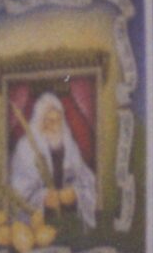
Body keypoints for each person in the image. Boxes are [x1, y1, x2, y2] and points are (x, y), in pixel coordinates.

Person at [8, 91, 99, 229]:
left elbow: (86, 179)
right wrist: (43, 198)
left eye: (58, 120)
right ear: (40, 121)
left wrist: (75, 192)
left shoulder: (69, 144)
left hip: (69, 219)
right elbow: (17, 193)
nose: (55, 126)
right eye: (50, 121)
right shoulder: (25, 148)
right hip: (37, 223)